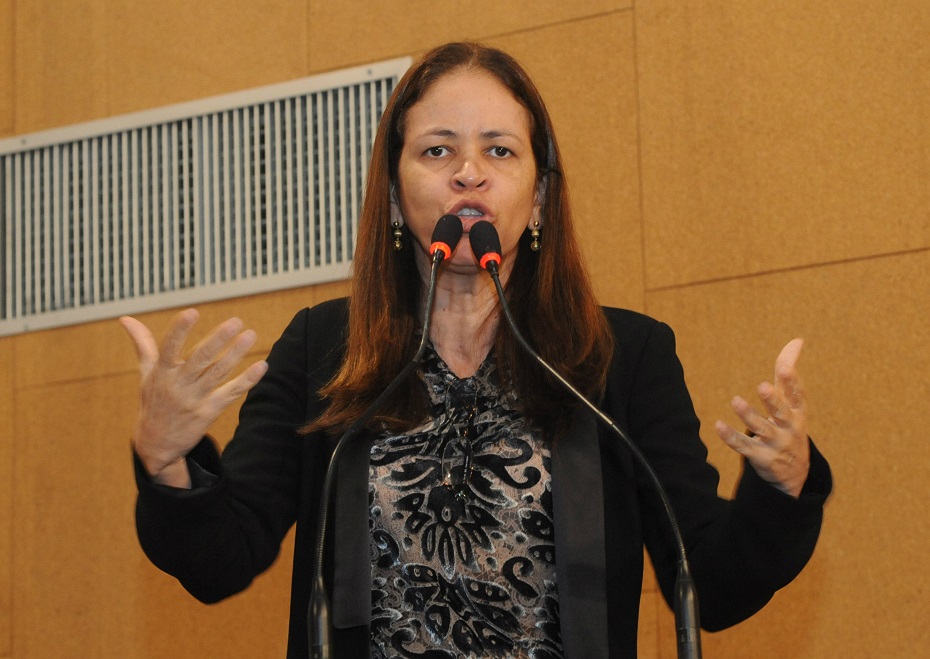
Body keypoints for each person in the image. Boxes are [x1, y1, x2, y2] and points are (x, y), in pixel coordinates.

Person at [122, 42, 832, 659]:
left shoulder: (621, 356)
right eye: (438, 150)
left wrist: (783, 487)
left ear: (540, 197)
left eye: (499, 149)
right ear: (394, 196)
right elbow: (221, 560)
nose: (469, 172)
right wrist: (165, 459)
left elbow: (710, 584)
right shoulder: (323, 348)